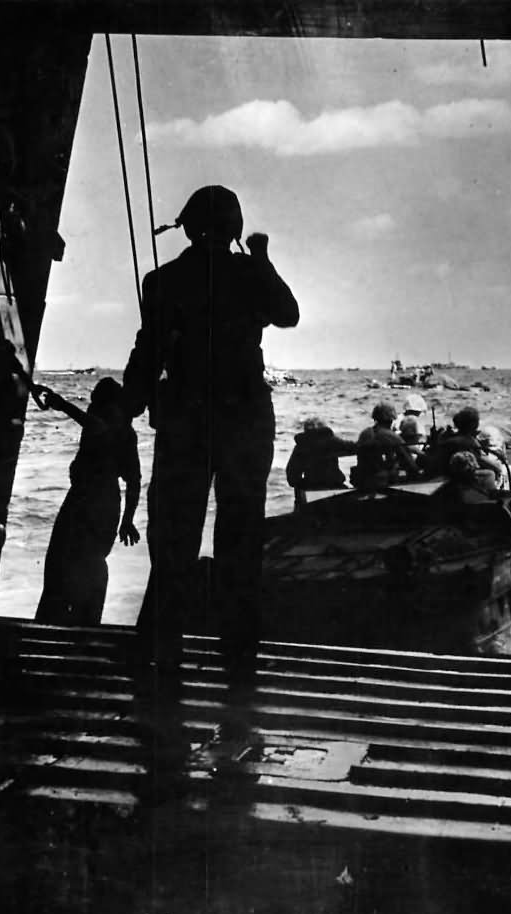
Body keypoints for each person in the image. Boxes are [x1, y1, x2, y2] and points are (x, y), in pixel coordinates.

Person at [123, 184, 299, 706]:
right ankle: (239, 656)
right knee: (241, 537)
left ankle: (164, 646)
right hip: (245, 417)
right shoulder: (250, 275)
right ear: (234, 230)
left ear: (188, 225)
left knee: (174, 535)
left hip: (185, 418)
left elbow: (147, 349)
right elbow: (287, 314)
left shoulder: (163, 280)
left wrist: (127, 406)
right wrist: (262, 256)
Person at [35, 377, 140, 626]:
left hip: (91, 502)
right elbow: (134, 481)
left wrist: (64, 405)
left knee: (68, 563)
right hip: (99, 503)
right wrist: (127, 519)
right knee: (80, 563)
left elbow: (97, 427)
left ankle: (66, 622)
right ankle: (82, 621)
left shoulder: (113, 424)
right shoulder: (126, 431)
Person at [351, 402, 420, 489]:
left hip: (362, 480)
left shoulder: (365, 433)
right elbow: (409, 462)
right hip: (383, 482)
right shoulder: (392, 436)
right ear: (391, 419)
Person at [285, 417, 356, 498]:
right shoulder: (331, 441)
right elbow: (353, 448)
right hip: (334, 486)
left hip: (311, 488)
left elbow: (291, 474)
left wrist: (302, 486)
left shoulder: (301, 446)